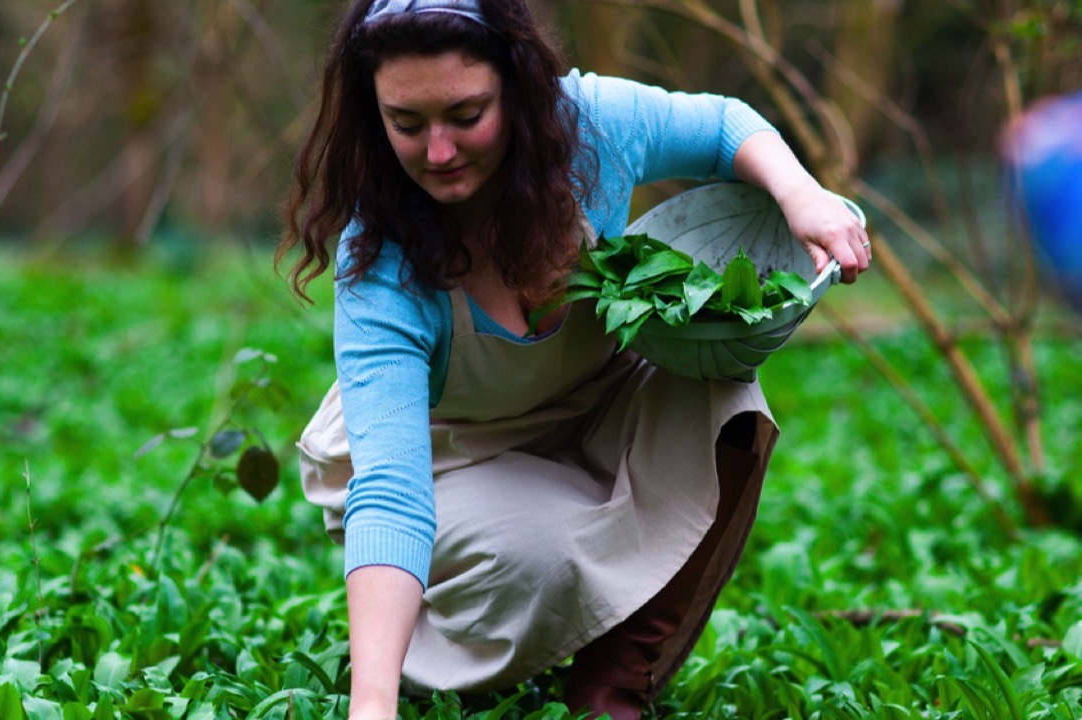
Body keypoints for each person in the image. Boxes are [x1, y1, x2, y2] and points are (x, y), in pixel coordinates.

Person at [278, 1, 871, 718]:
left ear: (519, 88)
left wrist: (801, 194)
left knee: (728, 405)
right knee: (537, 559)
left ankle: (614, 680)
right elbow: (393, 493)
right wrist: (369, 707)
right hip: (454, 458)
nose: (438, 151)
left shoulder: (590, 128)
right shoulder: (380, 265)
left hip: (594, 403)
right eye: (407, 124)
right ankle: (419, 653)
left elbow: (721, 125)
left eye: (467, 115)